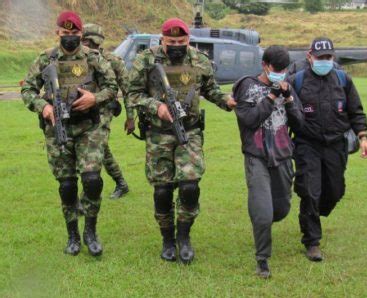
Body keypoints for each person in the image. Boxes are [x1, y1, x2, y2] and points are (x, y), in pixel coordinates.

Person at [126, 18, 236, 264]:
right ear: (162, 39)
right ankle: (167, 238)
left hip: (190, 132)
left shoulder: (200, 60)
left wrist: (227, 101)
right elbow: (133, 93)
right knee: (163, 190)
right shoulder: (146, 60)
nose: (176, 45)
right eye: (171, 41)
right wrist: (156, 107)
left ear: (188, 40)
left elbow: (210, 89)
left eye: (181, 41)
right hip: (158, 133)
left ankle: (184, 237)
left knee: (189, 186)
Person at [21, 11, 118, 256]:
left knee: (92, 181)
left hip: (88, 127)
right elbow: (28, 90)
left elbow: (112, 86)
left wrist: (95, 98)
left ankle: (91, 231)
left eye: (75, 34)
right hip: (57, 129)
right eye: (66, 34)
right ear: (58, 34)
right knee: (66, 185)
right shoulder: (46, 59)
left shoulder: (94, 58)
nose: (70, 38)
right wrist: (44, 107)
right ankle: (73, 234)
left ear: (81, 34)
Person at [288, 37, 367, 262]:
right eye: (319, 57)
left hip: (336, 145)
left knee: (335, 191)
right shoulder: (297, 80)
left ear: (333, 58)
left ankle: (313, 209)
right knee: (310, 191)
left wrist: (363, 136)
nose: (324, 61)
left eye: (328, 57)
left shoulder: (343, 80)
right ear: (309, 57)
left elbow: (356, 111)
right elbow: (284, 111)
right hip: (307, 144)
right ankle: (312, 241)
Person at [233, 46, 304, 279]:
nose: (281, 73)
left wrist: (289, 99)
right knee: (263, 212)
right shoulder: (247, 86)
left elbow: (300, 124)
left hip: (283, 155)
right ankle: (262, 260)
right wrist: (271, 97)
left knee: (281, 210)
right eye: (277, 69)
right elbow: (250, 120)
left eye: (285, 69)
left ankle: (263, 216)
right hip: (257, 157)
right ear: (265, 65)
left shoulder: (287, 86)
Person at [81, 23, 132, 199]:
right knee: (100, 149)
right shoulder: (78, 61)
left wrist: (131, 118)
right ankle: (121, 183)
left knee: (94, 147)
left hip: (104, 112)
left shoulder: (113, 61)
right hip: (81, 113)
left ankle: (86, 194)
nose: (90, 46)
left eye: (93, 43)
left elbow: (128, 91)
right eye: (86, 42)